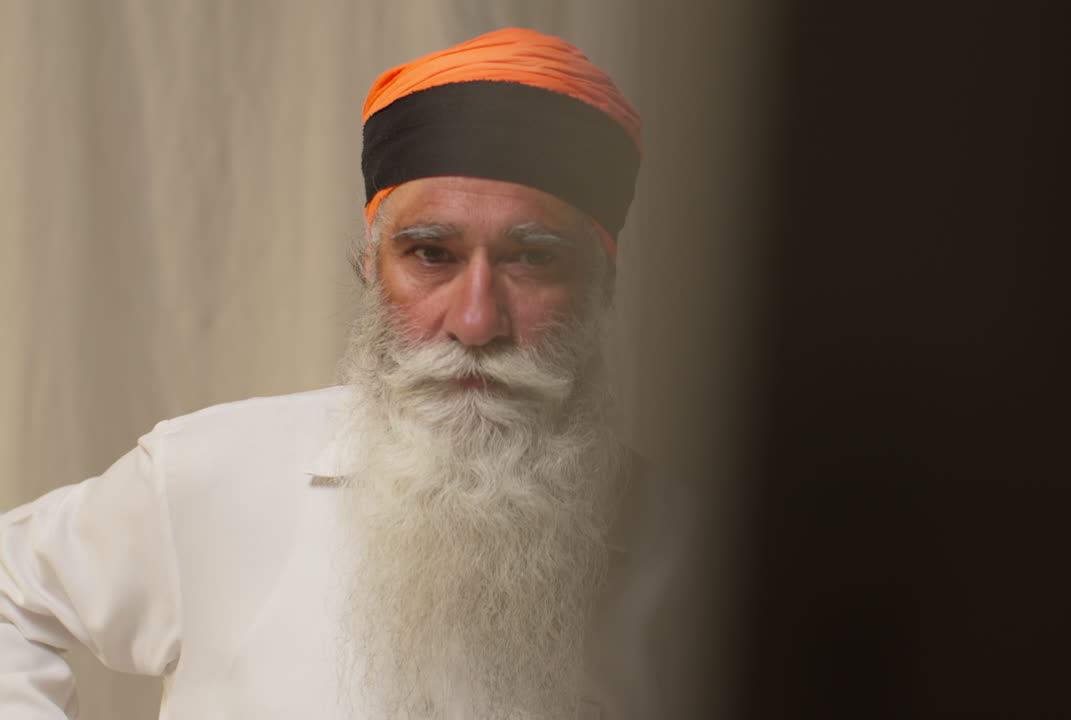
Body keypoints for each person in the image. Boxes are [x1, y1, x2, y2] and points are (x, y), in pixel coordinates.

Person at [0, 27, 661, 720]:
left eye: (534, 259)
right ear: (372, 269)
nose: (474, 322)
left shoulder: (691, 557)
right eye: (431, 253)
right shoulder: (210, 476)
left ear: (603, 287)